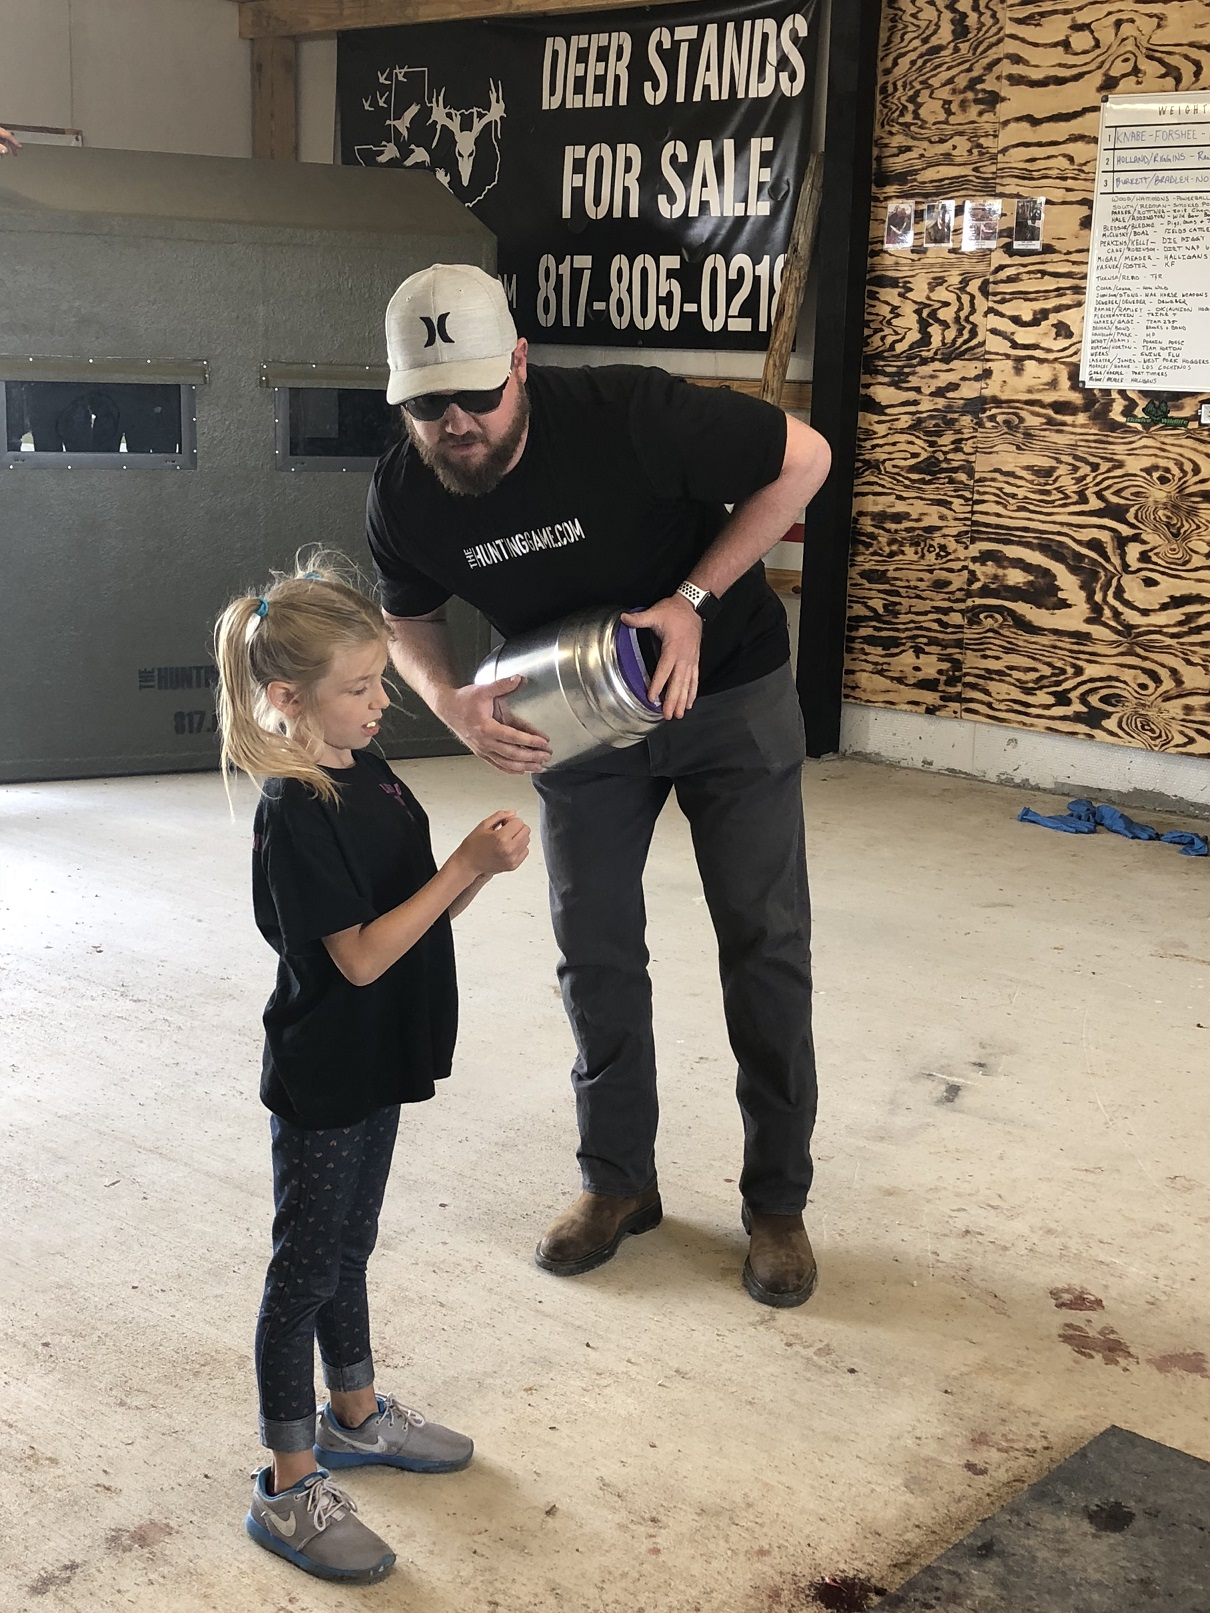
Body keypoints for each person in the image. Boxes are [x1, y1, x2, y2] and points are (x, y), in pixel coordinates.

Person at [367, 264, 831, 1309]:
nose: (456, 423)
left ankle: (776, 1201)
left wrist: (691, 599)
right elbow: (406, 616)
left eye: (477, 394)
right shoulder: (404, 490)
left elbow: (805, 457)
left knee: (764, 939)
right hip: (574, 716)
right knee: (595, 946)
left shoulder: (630, 412)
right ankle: (617, 1179)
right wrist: (449, 702)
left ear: (520, 363)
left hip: (723, 688)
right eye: (428, 405)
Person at [213, 561, 530, 1583]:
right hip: (327, 1068)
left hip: (381, 1049)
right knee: (302, 1269)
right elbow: (354, 956)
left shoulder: (368, 769)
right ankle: (288, 1482)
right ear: (290, 696)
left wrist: (473, 874)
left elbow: (412, 910)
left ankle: (353, 1412)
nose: (381, 700)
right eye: (360, 686)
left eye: (380, 680)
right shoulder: (295, 807)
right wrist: (461, 868)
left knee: (350, 1242)